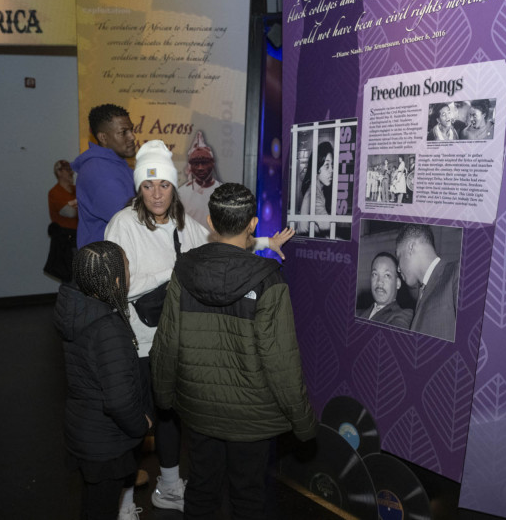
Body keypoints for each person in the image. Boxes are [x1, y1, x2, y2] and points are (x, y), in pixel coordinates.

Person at [104, 140, 294, 513]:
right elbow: (117, 286)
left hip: (174, 341)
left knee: (170, 419)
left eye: (163, 185)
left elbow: (223, 242)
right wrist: (171, 271)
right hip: (138, 342)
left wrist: (264, 241)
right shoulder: (123, 225)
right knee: (134, 425)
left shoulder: (183, 225)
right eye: (147, 185)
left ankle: (170, 487)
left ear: (174, 186)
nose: (156, 194)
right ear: (138, 188)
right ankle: (124, 502)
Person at [150, 183, 318, 519]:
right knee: (248, 497)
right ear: (253, 224)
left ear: (211, 222)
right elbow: (281, 361)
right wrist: (303, 423)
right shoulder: (270, 281)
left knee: (201, 488)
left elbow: (166, 341)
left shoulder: (183, 271)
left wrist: (164, 397)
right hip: (252, 417)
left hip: (199, 408)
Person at [54, 241, 152, 520]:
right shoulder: (108, 329)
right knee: (102, 509)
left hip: (82, 430)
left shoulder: (76, 309)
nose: (129, 272)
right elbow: (120, 401)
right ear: (115, 279)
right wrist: (141, 425)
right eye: (126, 267)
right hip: (106, 442)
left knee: (93, 505)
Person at [72, 104, 137, 248]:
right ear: (103, 137)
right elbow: (131, 221)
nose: (132, 137)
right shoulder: (98, 172)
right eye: (123, 132)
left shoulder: (117, 164)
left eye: (131, 130)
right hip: (106, 265)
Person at [395, 224, 459, 342]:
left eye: (398, 257)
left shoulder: (457, 272)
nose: (398, 269)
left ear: (411, 248)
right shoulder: (421, 294)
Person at [357, 252, 413, 329]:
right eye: (375, 274)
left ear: (397, 283)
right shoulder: (357, 313)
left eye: (387, 275)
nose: (379, 282)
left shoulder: (403, 315)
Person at [178, 130, 222, 227]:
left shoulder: (224, 192)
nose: (200, 168)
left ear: (212, 164)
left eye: (204, 162)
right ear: (190, 166)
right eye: (196, 164)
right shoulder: (181, 193)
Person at [44, 159, 78, 281]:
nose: (71, 173)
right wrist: (83, 205)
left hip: (79, 238)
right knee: (71, 277)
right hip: (66, 242)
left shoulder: (76, 190)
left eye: (71, 169)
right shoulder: (55, 193)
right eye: (67, 170)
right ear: (59, 172)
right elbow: (70, 212)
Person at [297, 141, 333, 236]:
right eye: (327, 166)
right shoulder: (314, 194)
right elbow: (327, 225)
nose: (331, 170)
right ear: (317, 167)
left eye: (332, 165)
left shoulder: (317, 189)